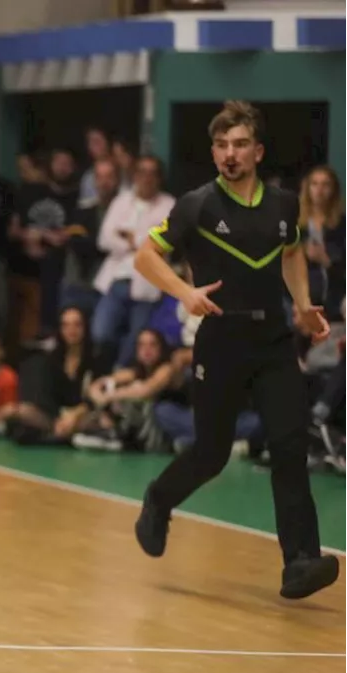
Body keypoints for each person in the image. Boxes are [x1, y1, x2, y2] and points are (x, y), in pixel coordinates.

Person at [132, 100, 339, 600]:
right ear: (213, 152)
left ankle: (300, 562)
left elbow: (290, 254)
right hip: (220, 342)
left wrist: (304, 304)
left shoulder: (286, 205)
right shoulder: (197, 205)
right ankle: (159, 500)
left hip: (271, 342)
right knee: (211, 453)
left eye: (241, 144)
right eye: (223, 145)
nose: (231, 153)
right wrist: (186, 294)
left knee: (289, 445)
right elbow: (145, 257)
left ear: (258, 151)